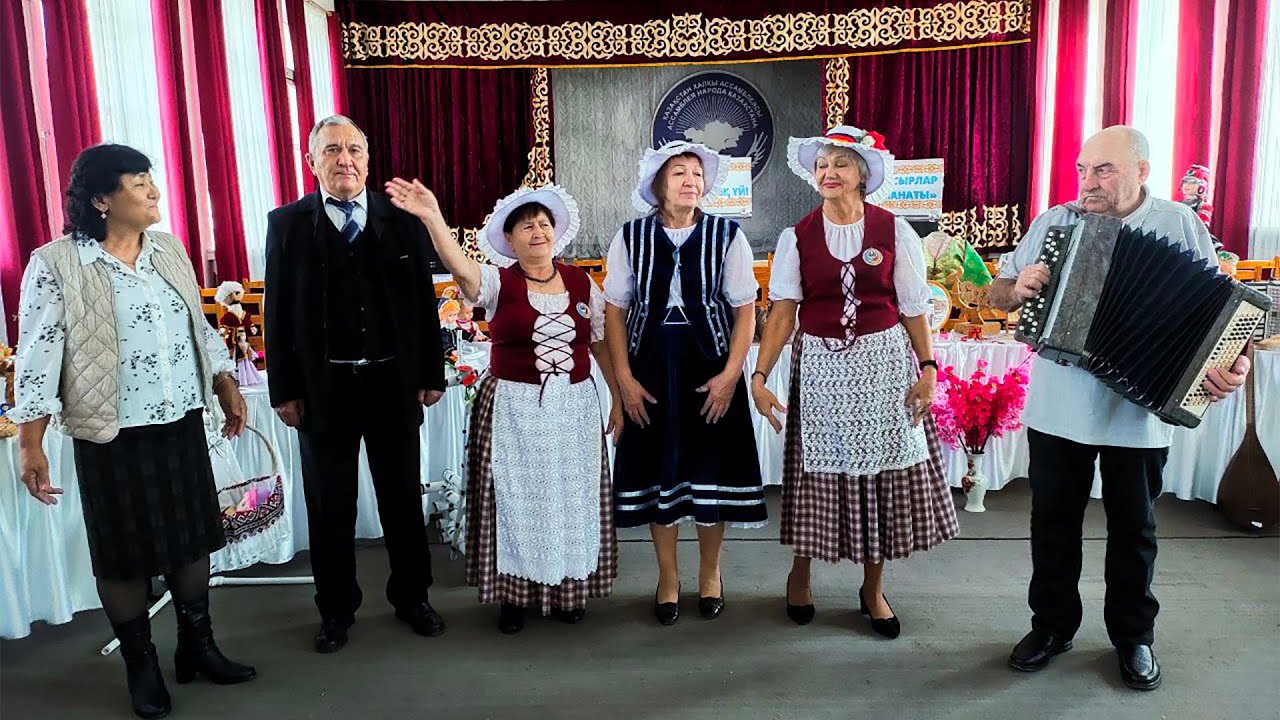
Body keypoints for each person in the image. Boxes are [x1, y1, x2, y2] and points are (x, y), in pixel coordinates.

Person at [989, 125, 1251, 690]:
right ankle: (1051, 627)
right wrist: (1017, 288)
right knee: (1052, 524)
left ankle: (1134, 636)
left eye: (1103, 170)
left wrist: (1235, 364)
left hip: (1139, 413)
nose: (1088, 182)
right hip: (1058, 406)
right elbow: (997, 292)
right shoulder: (1054, 222)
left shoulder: (1178, 223)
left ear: (1141, 171)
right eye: (1082, 170)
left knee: (1135, 528)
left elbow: (1220, 311)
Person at [11, 144, 255, 719]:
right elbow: (39, 357)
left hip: (181, 421)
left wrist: (224, 383)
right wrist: (30, 442)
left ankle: (198, 645)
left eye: (152, 179)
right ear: (101, 198)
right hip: (110, 433)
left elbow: (199, 327)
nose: (154, 191)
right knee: (123, 554)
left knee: (192, 538)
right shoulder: (57, 263)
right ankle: (140, 664)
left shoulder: (168, 250)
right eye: (139, 182)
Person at [386, 179, 622, 634]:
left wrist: (615, 397)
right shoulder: (498, 281)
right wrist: (434, 218)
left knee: (570, 498)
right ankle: (514, 597)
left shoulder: (581, 282)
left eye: (544, 223)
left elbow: (599, 345)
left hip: (573, 408)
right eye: (526, 226)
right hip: (513, 407)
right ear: (510, 239)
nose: (537, 231)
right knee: (514, 502)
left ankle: (569, 589)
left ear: (556, 232)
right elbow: (463, 271)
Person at [751, 125, 959, 639]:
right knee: (814, 476)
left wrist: (928, 368)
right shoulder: (797, 236)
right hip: (821, 368)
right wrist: (759, 375)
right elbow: (783, 312)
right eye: (822, 165)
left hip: (884, 366)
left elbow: (912, 308)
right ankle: (800, 575)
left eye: (840, 164)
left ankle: (873, 587)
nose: (829, 172)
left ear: (863, 175)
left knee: (880, 480)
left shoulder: (894, 230)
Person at [264, 115, 447, 654]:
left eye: (355, 150)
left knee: (402, 500)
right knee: (330, 506)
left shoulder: (402, 220)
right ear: (311, 161)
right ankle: (336, 609)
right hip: (325, 391)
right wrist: (284, 390)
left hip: (393, 384)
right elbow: (277, 312)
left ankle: (413, 597)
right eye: (332, 150)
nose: (345, 159)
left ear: (368, 161)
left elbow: (423, 301)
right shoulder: (287, 224)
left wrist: (430, 373)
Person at [604, 141, 767, 625]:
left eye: (696, 173)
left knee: (709, 472)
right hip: (651, 372)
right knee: (661, 475)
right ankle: (668, 577)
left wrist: (731, 376)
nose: (690, 180)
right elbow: (614, 312)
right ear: (658, 184)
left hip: (710, 371)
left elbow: (745, 312)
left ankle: (711, 573)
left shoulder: (727, 235)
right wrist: (624, 379)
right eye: (679, 172)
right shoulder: (630, 237)